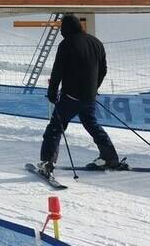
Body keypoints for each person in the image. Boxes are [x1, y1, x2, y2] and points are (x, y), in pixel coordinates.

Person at [37, 14, 120, 178]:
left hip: (71, 96)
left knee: (55, 128)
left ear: (66, 28)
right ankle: (110, 157)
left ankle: (47, 163)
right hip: (89, 97)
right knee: (92, 125)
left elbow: (57, 71)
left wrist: (52, 93)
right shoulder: (96, 42)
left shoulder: (66, 44)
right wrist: (93, 88)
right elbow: (103, 70)